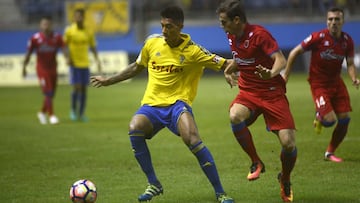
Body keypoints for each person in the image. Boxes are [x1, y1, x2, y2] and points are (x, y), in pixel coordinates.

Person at [90, 5, 235, 203]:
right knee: (134, 128)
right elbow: (136, 67)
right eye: (162, 26)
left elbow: (225, 62)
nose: (165, 31)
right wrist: (108, 80)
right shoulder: (152, 42)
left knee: (192, 139)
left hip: (177, 105)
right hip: (151, 105)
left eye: (169, 27)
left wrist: (235, 69)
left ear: (180, 26)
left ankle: (220, 193)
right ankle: (154, 184)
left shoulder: (193, 51)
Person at [216, 1, 297, 202]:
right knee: (235, 115)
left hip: (272, 92)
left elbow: (281, 60)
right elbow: (241, 58)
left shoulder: (260, 34)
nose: (221, 26)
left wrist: (270, 74)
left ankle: (285, 178)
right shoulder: (231, 34)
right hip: (249, 92)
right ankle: (256, 162)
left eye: (224, 22)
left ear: (237, 20)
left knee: (288, 144)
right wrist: (228, 70)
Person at [284, 7, 359, 163]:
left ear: (343, 21)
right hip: (319, 84)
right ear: (327, 21)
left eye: (337, 19)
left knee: (345, 119)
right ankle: (320, 116)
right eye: (330, 19)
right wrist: (286, 75)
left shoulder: (347, 41)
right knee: (330, 121)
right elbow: (294, 52)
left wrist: (353, 78)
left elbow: (350, 63)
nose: (333, 23)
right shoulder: (317, 37)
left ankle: (330, 152)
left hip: (337, 82)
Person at [23, 16, 68, 125]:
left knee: (51, 94)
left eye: (48, 24)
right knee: (48, 92)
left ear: (51, 25)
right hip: (42, 69)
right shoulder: (35, 38)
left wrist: (67, 58)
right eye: (44, 24)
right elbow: (28, 54)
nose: (46, 26)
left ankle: (42, 112)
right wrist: (24, 67)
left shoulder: (57, 37)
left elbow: (64, 48)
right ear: (40, 25)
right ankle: (52, 116)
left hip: (53, 68)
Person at [64, 8, 102, 122]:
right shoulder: (70, 31)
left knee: (84, 89)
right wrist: (67, 58)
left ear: (83, 17)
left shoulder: (88, 31)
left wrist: (97, 60)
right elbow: (64, 45)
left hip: (85, 63)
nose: (78, 18)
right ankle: (73, 111)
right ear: (74, 18)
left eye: (80, 16)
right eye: (76, 16)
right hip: (74, 63)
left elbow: (93, 47)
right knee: (77, 87)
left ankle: (81, 113)